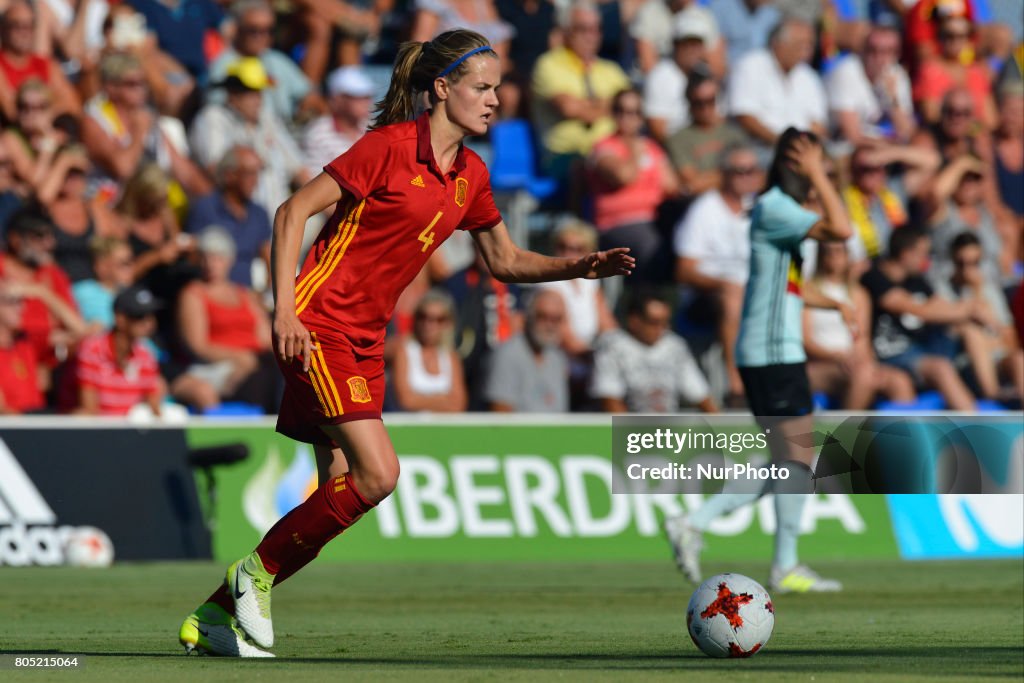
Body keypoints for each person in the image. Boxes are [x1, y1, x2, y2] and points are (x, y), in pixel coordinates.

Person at [177, 29, 634, 658]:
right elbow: (291, 212)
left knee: (339, 492)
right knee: (379, 474)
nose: (495, 100)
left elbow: (503, 260)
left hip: (365, 338)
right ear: (442, 89)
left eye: (498, 88)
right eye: (482, 87)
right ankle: (251, 577)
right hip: (319, 324)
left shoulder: (470, 173)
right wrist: (284, 310)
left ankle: (214, 614)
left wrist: (578, 266)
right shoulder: (387, 148)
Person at [664, 129, 855, 594]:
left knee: (790, 462)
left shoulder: (780, 212)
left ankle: (710, 528)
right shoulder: (776, 207)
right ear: (798, 164)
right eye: (815, 166)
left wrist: (830, 303)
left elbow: (783, 284)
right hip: (773, 353)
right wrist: (818, 175)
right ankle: (727, 536)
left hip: (773, 350)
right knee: (797, 459)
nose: (821, 177)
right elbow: (843, 230)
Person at [861, 226, 988, 410]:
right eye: (923, 254)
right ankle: (975, 430)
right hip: (890, 355)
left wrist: (970, 305)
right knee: (940, 368)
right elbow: (918, 310)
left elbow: (941, 306)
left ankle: (992, 393)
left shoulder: (916, 279)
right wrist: (968, 310)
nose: (926, 261)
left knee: (969, 330)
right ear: (906, 254)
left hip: (920, 349)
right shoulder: (874, 277)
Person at [673, 144, 761, 400]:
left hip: (752, 292)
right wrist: (724, 285)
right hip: (707, 297)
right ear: (724, 173)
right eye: (738, 171)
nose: (746, 176)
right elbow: (684, 270)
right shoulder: (705, 210)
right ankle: (737, 387)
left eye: (751, 170)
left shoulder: (760, 208)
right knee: (732, 297)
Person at [175, 226, 277, 413]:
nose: (210, 264)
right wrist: (240, 357)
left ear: (229, 260)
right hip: (217, 368)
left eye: (217, 258)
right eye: (205, 257)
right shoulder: (194, 293)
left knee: (281, 372)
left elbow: (265, 338)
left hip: (254, 365)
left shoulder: (245, 295)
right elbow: (198, 345)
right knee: (264, 378)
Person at [803, 239, 916, 409]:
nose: (834, 256)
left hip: (853, 362)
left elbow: (862, 339)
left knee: (900, 381)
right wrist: (838, 356)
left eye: (839, 251)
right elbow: (806, 341)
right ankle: (844, 435)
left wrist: (864, 362)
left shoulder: (858, 294)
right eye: (828, 251)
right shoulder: (809, 290)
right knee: (863, 375)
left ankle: (900, 435)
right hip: (820, 363)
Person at [586, 87, 678, 281]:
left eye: (634, 112)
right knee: (651, 245)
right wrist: (635, 152)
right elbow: (623, 176)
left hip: (654, 218)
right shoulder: (604, 148)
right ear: (613, 113)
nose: (627, 117)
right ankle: (647, 300)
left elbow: (671, 186)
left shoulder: (652, 148)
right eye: (621, 110)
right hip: (619, 223)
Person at [591, 290, 715, 413]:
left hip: (667, 427)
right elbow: (609, 399)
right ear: (634, 321)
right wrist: (630, 431)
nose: (660, 329)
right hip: (628, 427)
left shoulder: (675, 345)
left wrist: (721, 429)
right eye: (654, 322)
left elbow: (700, 394)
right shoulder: (612, 346)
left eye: (665, 323)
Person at [936, 232, 1023, 401]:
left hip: (997, 359)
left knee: (1019, 359)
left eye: (974, 263)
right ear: (952, 260)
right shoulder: (942, 291)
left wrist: (978, 293)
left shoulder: (989, 289)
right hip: (964, 365)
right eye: (961, 263)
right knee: (972, 333)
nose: (968, 270)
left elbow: (1010, 337)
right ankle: (992, 394)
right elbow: (950, 335)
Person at [727, 18, 828, 149]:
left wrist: (802, 148)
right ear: (778, 43)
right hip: (758, 147)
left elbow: (818, 123)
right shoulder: (750, 65)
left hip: (801, 151)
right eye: (800, 44)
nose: (806, 51)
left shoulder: (808, 76)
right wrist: (782, 144)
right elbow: (745, 116)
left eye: (809, 45)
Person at [68, 284, 166, 416]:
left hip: (131, 432)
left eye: (151, 316)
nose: (149, 323)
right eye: (139, 316)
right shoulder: (91, 350)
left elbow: (154, 406)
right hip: (98, 432)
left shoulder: (146, 355)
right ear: (120, 319)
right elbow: (89, 409)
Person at [185, 146, 272, 290]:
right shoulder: (204, 208)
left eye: (257, 173)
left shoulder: (259, 214)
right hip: (209, 295)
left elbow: (269, 260)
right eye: (249, 174)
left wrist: (268, 296)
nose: (255, 181)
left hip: (245, 298)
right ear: (229, 175)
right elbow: (191, 257)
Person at [826, 24, 916, 145]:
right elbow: (852, 136)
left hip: (881, 145)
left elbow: (907, 131)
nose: (878, 57)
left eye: (886, 51)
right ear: (863, 50)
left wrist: (893, 99)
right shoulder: (845, 72)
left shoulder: (896, 75)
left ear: (897, 55)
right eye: (872, 50)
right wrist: (892, 147)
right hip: (841, 145)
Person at [485, 288, 569, 412]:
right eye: (542, 316)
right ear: (528, 316)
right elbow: (500, 418)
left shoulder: (558, 358)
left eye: (556, 319)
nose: (550, 325)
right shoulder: (507, 355)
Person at [665, 73, 746, 197]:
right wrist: (732, 174)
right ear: (689, 104)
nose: (705, 108)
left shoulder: (733, 133)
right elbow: (692, 182)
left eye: (710, 100)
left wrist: (708, 178)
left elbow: (753, 174)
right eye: (698, 103)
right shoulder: (678, 139)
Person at [391, 289, 468, 412]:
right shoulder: (404, 350)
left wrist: (420, 399)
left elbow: (458, 404)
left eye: (438, 319)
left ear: (448, 323)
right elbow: (406, 400)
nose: (429, 325)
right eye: (423, 317)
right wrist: (442, 399)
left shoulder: (450, 356)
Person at [301, 66, 375, 178]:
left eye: (367, 96)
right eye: (355, 96)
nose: (365, 101)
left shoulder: (375, 128)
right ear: (337, 100)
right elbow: (314, 181)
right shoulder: (317, 134)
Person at [0, 279, 46, 414]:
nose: (21, 307)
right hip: (14, 428)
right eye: (12, 301)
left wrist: (44, 293)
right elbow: (3, 410)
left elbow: (80, 332)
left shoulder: (25, 341)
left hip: (36, 420)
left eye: (21, 301)